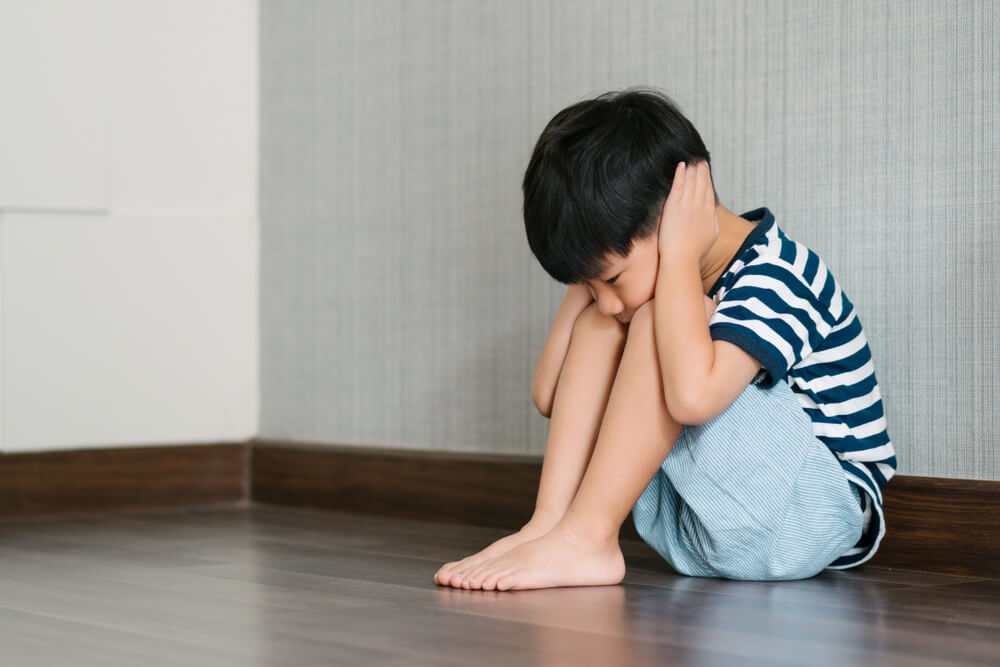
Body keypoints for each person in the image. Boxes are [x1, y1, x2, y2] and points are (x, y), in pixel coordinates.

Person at [433, 88, 895, 591]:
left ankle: (587, 538)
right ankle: (553, 525)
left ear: (677, 216)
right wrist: (588, 285)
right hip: (702, 522)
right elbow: (548, 394)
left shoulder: (779, 274)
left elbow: (693, 397)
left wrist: (677, 256)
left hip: (808, 518)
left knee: (660, 318)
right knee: (606, 323)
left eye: (609, 278)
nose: (605, 299)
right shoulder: (634, 295)